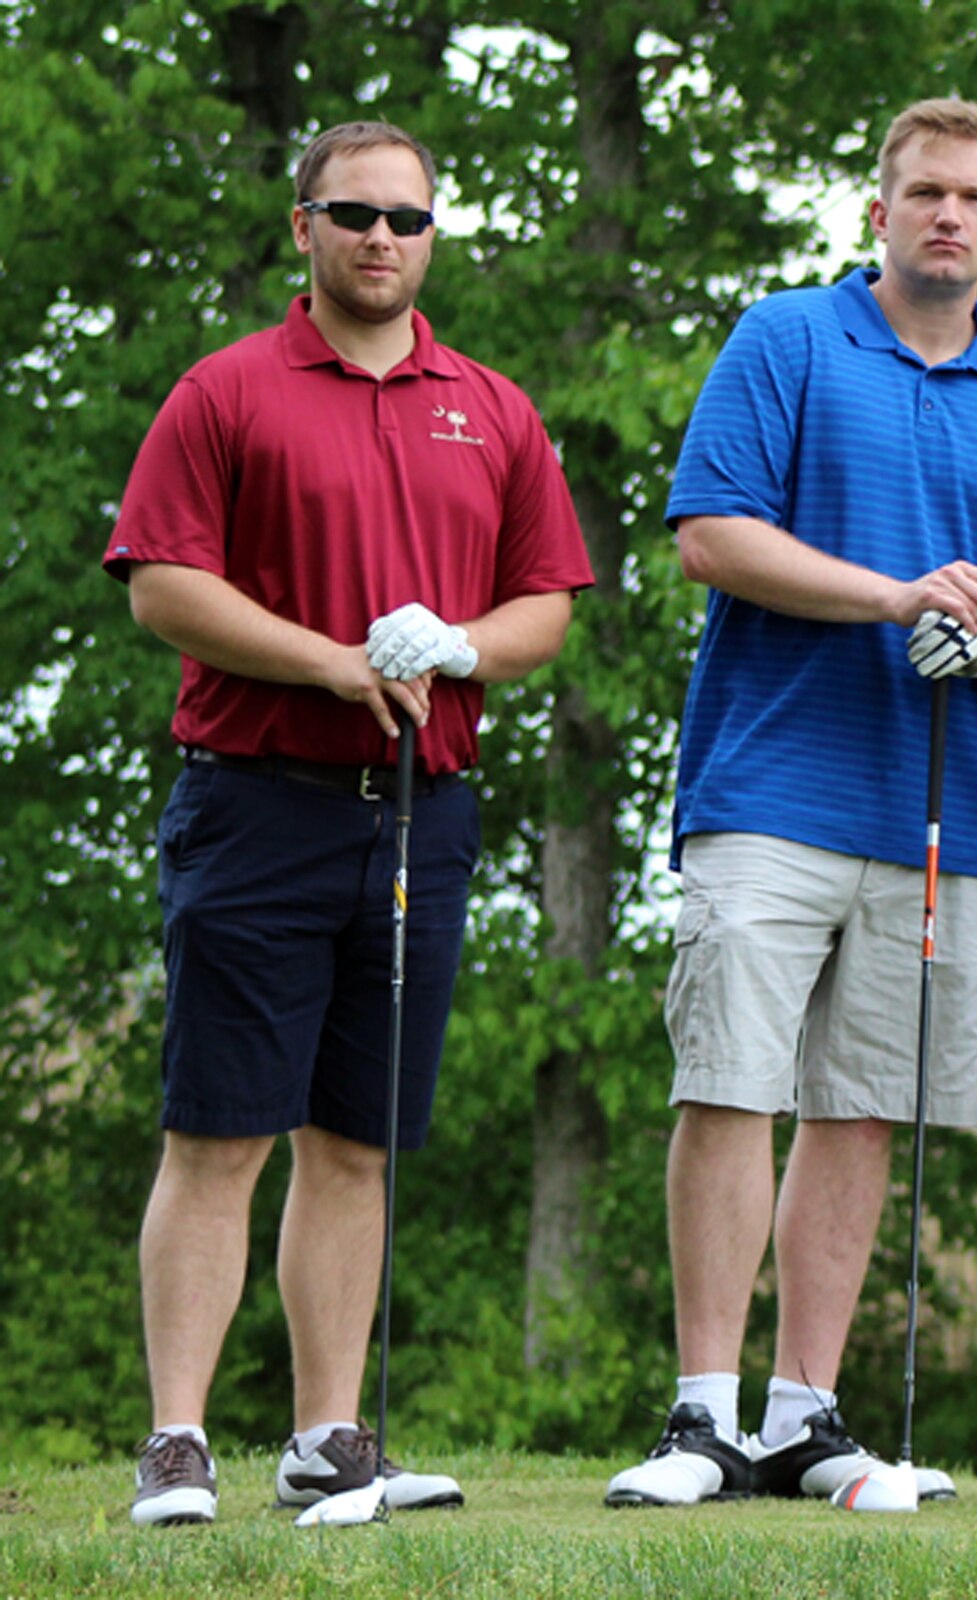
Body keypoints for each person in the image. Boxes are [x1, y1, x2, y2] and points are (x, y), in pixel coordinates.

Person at [604, 97, 977, 1508]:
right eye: (925, 191)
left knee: (866, 1108)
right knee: (730, 1085)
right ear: (876, 208)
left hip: (943, 811)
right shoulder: (789, 341)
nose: (948, 215)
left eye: (975, 197)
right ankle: (703, 1414)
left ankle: (803, 1420)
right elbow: (712, 535)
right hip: (770, 785)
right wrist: (898, 597)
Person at [106, 120, 593, 1528]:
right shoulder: (228, 390)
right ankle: (178, 1443)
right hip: (257, 800)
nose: (384, 237)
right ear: (304, 227)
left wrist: (458, 647)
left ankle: (329, 1439)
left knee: (358, 1139)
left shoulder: (490, 406)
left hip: (419, 818)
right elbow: (161, 586)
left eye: (409, 217)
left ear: (433, 235)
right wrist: (329, 661)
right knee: (218, 1133)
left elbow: (544, 606)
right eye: (355, 213)